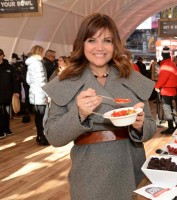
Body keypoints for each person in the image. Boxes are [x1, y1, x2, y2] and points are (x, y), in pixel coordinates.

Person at [43, 13, 156, 200]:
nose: (100, 48)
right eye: (92, 40)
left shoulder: (131, 77)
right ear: (82, 44)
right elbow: (53, 136)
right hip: (89, 172)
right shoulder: (65, 81)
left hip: (130, 165)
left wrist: (140, 125)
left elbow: (151, 127)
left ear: (115, 45)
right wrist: (78, 114)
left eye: (107, 41)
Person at [26, 45, 49, 146]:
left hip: (34, 93)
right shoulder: (38, 64)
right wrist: (47, 94)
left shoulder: (30, 64)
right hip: (40, 93)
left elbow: (28, 80)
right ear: (40, 52)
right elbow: (42, 82)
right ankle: (41, 137)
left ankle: (39, 136)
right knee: (41, 116)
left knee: (38, 116)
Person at [155, 46, 177, 134]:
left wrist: (157, 86)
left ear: (162, 54)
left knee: (167, 108)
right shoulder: (172, 64)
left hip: (167, 89)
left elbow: (163, 78)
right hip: (172, 89)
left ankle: (171, 127)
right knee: (172, 108)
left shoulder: (165, 64)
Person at [0, 49, 20, 139]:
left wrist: (16, 92)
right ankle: (1, 131)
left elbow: (15, 81)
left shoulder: (9, 67)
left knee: (7, 114)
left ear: (2, 56)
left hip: (7, 95)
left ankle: (7, 129)